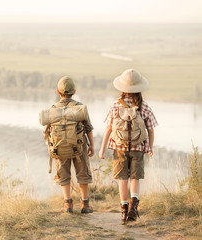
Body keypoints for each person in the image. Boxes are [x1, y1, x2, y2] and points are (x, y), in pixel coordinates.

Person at [98, 69, 158, 224]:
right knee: (135, 177)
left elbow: (109, 128)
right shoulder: (144, 107)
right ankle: (134, 206)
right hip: (138, 148)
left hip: (119, 148)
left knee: (122, 179)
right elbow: (151, 129)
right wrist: (149, 147)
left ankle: (124, 210)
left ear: (122, 87)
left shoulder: (115, 105)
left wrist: (102, 148)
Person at [44, 76, 94, 213]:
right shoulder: (80, 108)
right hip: (79, 147)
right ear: (74, 91)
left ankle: (68, 204)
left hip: (60, 147)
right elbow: (88, 128)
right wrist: (92, 146)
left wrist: (50, 146)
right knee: (83, 173)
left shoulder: (53, 109)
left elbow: (47, 131)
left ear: (58, 92)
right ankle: (85, 204)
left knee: (63, 174)